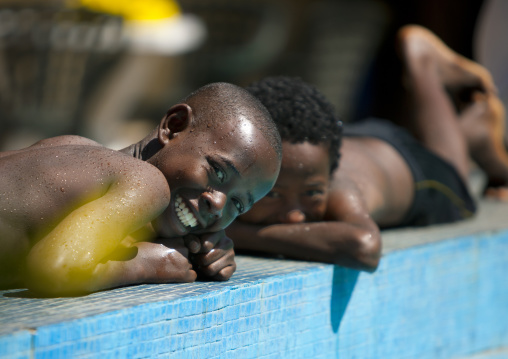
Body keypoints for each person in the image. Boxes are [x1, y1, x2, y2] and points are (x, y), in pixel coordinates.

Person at [226, 25, 508, 272]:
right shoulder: (281, 167)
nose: (295, 215)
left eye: (312, 193)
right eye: (273, 194)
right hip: (356, 143)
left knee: (454, 173)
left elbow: (364, 247)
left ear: (328, 175)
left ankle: (422, 64)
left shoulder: (339, 188)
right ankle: (477, 126)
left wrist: (236, 233)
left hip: (413, 170)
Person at [0, 82, 282, 296]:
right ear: (174, 126)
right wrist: (148, 264)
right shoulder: (147, 183)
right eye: (218, 171)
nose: (219, 205)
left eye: (238, 204)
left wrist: (198, 245)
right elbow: (55, 268)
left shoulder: (73, 147)